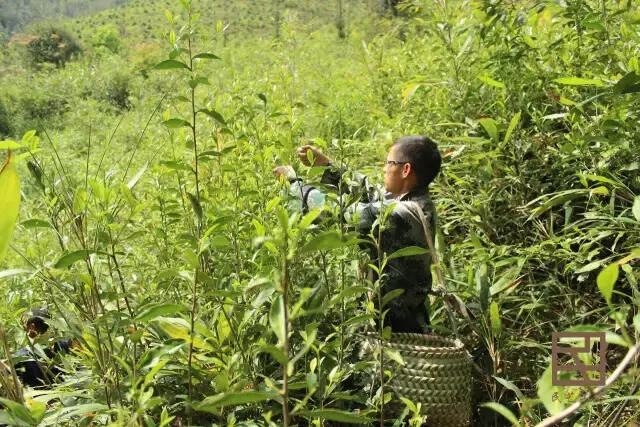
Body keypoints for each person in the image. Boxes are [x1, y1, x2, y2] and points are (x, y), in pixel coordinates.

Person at [273, 135, 442, 333]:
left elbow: (344, 212)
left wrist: (293, 184)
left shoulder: (403, 213)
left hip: (400, 328)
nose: (384, 168)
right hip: (402, 320)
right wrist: (327, 165)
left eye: (389, 162)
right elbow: (371, 191)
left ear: (405, 170)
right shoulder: (415, 202)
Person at [13, 307, 71, 387]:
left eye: (24, 326)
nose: (23, 329)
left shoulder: (21, 356)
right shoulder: (63, 344)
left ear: (32, 327)